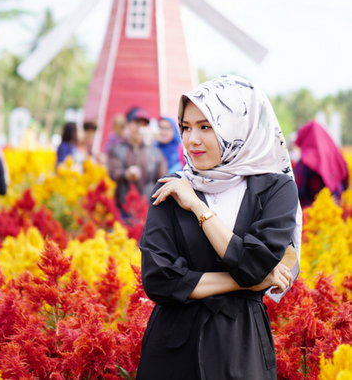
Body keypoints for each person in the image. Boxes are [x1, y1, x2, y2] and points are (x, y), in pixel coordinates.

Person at [137, 75, 302, 380]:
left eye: (205, 126)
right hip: (173, 351)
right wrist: (247, 282)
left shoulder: (276, 189)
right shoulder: (172, 187)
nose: (191, 140)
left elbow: (253, 264)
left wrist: (198, 207)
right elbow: (159, 280)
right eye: (186, 127)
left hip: (241, 348)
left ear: (238, 126)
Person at [106, 108, 167, 216]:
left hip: (148, 209)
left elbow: (162, 178)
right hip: (123, 208)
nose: (140, 128)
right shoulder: (117, 149)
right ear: (128, 124)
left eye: (143, 125)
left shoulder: (154, 153)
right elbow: (113, 172)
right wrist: (126, 174)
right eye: (137, 123)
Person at [293, 120, 349, 207]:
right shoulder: (336, 156)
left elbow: (296, 191)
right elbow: (345, 184)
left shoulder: (306, 161)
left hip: (312, 215)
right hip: (336, 212)